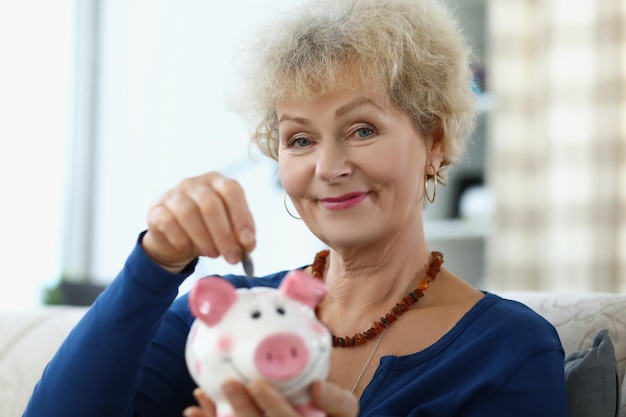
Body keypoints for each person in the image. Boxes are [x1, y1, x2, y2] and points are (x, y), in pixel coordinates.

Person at [23, 0, 569, 416]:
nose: (329, 167)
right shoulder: (220, 318)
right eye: (300, 140)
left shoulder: (507, 350)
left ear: (434, 143)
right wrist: (156, 262)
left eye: (361, 129)